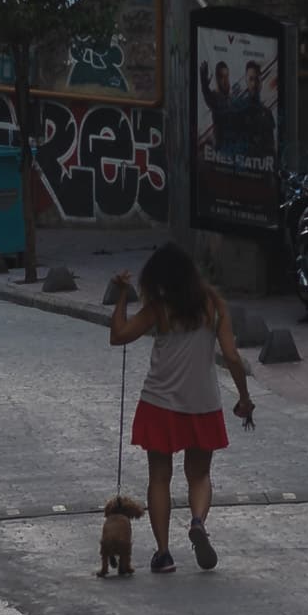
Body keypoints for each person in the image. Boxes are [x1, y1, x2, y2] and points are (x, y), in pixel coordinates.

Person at [109, 242, 255, 575]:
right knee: (200, 475)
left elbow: (118, 336)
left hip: (159, 402)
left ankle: (163, 554)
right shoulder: (214, 306)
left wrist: (121, 296)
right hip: (203, 403)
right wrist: (244, 399)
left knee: (159, 477)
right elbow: (232, 357)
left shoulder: (159, 308)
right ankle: (198, 521)